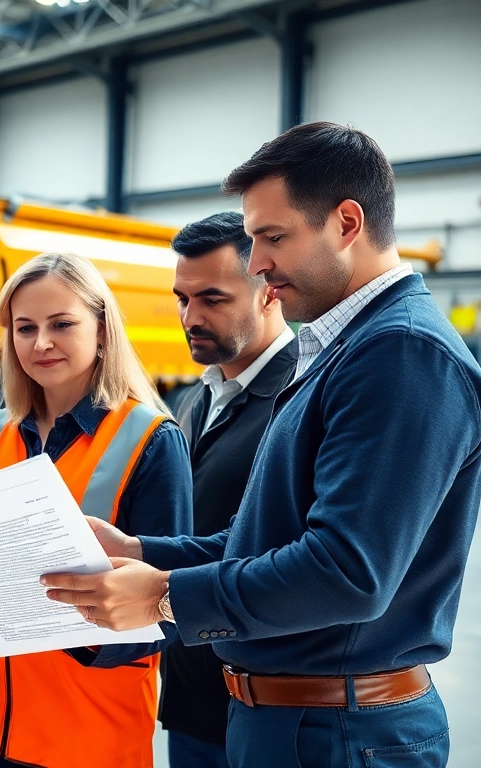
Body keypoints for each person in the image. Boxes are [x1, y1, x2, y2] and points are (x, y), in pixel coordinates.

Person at [43, 123, 481, 768]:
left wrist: (164, 595)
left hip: (338, 730)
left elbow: (346, 572)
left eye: (272, 237)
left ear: (346, 222)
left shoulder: (400, 354)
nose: (257, 262)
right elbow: (273, 539)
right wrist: (142, 551)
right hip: (293, 720)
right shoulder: (346, 349)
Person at [0, 252, 191, 768]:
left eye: (62, 324)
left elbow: (167, 606)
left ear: (102, 330)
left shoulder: (148, 439)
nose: (41, 343)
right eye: (25, 327)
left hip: (88, 731)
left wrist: (79, 639)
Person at [161, 212, 297, 767]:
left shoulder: (298, 398)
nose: (190, 317)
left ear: (267, 289)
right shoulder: (198, 398)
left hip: (269, 706)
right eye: (182, 298)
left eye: (212, 298)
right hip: (193, 696)